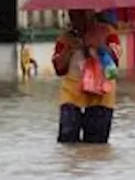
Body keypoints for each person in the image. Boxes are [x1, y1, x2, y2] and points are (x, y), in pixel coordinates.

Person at [52, 10, 122, 144]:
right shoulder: (65, 39)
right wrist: (69, 50)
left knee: (97, 143)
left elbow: (115, 62)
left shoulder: (108, 33)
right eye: (72, 16)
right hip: (72, 94)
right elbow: (59, 69)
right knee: (67, 140)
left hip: (102, 94)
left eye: (80, 15)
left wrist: (100, 46)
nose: (75, 20)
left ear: (91, 14)